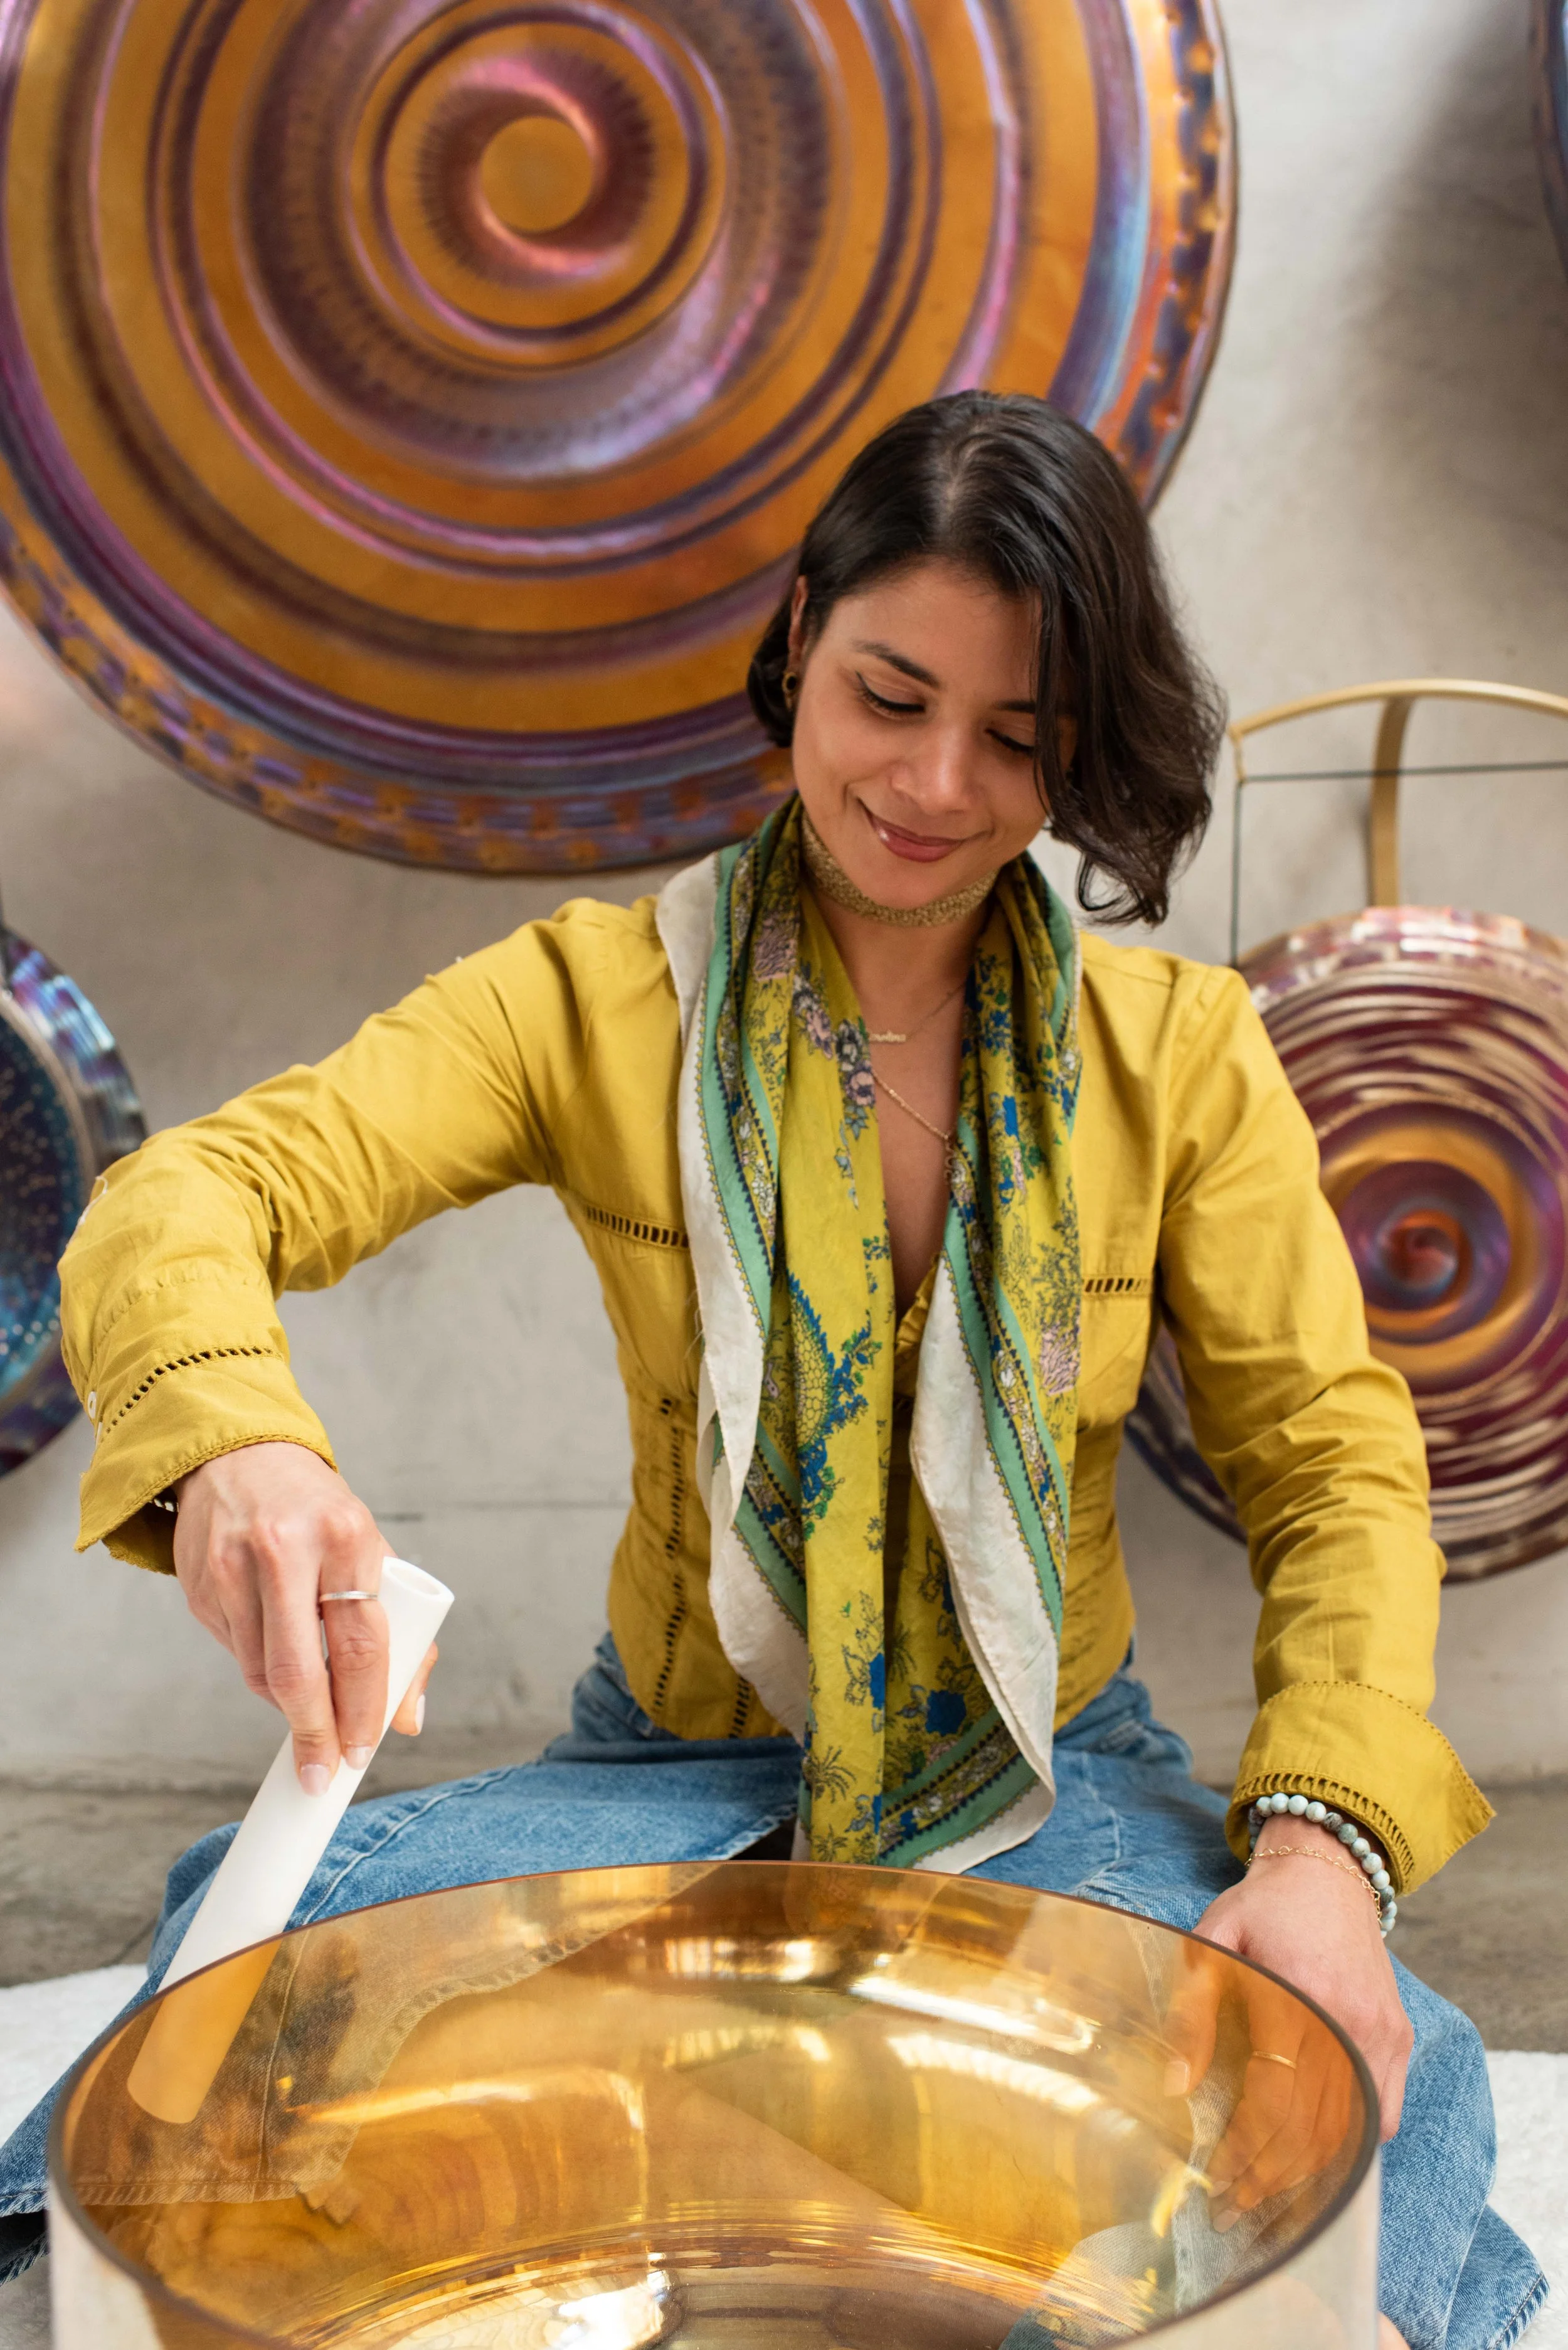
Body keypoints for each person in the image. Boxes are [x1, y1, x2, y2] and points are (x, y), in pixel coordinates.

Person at [0, 393, 1542, 2347]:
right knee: (263, 1991)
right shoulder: (587, 998)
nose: (934, 782)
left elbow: (1336, 1467)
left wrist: (1321, 1853)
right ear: (800, 634)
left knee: (1387, 2091)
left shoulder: (1187, 1059)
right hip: (673, 1775)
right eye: (889, 695)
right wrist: (235, 1441)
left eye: (1016, 738)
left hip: (1050, 1784)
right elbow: (193, 1194)